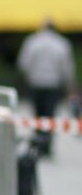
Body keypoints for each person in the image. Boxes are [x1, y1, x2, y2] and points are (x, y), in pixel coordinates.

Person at [17, 19, 77, 157]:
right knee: (50, 115)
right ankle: (47, 146)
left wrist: (29, 76)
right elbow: (66, 67)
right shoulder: (61, 43)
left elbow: (23, 63)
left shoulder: (32, 41)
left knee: (38, 115)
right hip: (53, 83)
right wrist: (69, 85)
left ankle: (38, 144)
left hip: (36, 82)